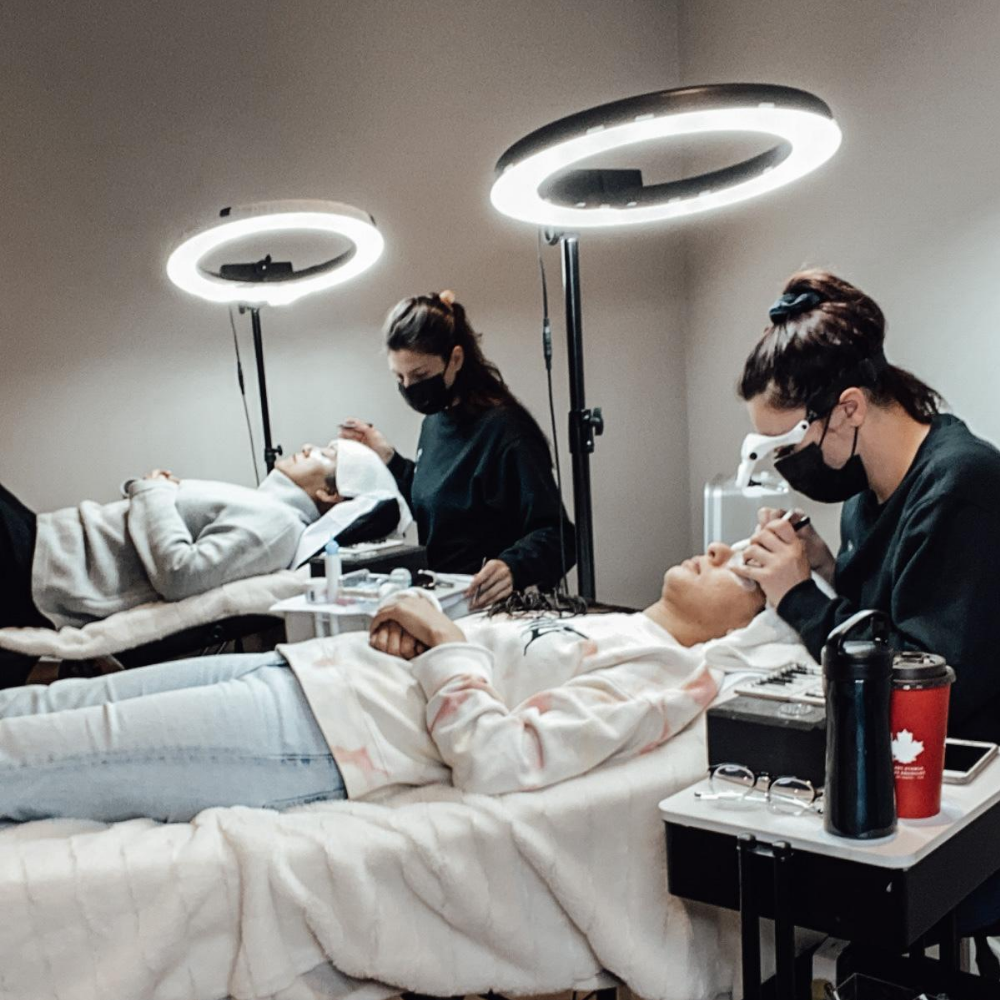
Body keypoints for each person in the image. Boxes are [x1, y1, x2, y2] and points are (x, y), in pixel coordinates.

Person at [0, 543, 764, 823]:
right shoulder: (618, 625)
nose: (717, 550)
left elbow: (500, 759)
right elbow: (475, 665)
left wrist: (445, 641)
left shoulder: (668, 675)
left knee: (37, 753)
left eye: (744, 568)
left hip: (323, 738)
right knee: (54, 699)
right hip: (311, 673)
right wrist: (418, 631)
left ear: (754, 623)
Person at [732, 269, 1000, 743]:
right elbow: (891, 617)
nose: (788, 466)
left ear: (850, 408)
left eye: (789, 448)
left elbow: (927, 683)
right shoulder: (865, 492)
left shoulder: (962, 486)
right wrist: (825, 568)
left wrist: (800, 598)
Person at [0, 440, 407, 682]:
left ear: (331, 494)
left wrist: (154, 492)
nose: (306, 448)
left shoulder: (278, 525)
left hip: (43, 564)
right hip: (47, 550)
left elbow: (180, 574)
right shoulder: (268, 508)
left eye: (324, 455)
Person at [340, 290, 575, 609]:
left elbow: (559, 536)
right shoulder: (435, 422)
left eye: (420, 375)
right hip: (446, 601)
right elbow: (440, 502)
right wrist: (389, 458)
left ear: (455, 359)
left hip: (493, 609)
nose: (409, 387)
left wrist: (513, 567)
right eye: (399, 377)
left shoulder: (506, 430)